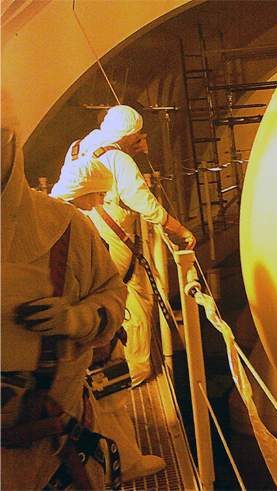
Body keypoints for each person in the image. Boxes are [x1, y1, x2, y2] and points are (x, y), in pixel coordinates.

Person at [1, 90, 127, 490]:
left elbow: (111, 294)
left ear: (10, 144)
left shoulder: (64, 227)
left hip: (57, 455)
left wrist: (78, 319)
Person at [50, 152, 167, 482]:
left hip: (76, 334)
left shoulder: (51, 214)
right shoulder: (71, 223)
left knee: (94, 400)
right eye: (99, 193)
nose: (102, 199)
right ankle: (128, 463)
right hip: (93, 333)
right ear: (84, 189)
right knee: (109, 399)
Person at [59, 104, 196, 386]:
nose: (142, 145)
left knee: (93, 294)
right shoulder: (118, 159)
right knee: (133, 297)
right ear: (126, 134)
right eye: (138, 138)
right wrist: (179, 229)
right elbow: (143, 202)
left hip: (81, 231)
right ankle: (136, 369)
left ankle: (99, 361)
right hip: (114, 235)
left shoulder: (77, 146)